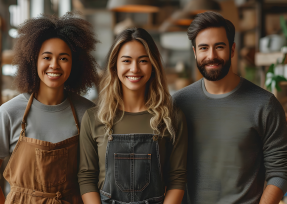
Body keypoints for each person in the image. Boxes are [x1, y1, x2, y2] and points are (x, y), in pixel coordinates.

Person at [0, 12, 98, 203]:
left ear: (74, 64)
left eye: (63, 58)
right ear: (33, 60)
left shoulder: (88, 113)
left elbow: (94, 178)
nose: (54, 65)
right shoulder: (8, 113)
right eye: (46, 57)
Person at [173, 11, 287, 204]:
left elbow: (280, 171)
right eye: (203, 48)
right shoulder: (178, 103)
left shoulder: (265, 105)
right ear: (194, 52)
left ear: (232, 49)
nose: (211, 55)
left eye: (219, 47)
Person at [78, 28, 188, 204]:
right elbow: (86, 178)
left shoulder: (172, 117)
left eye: (143, 61)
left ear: (153, 66)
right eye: (126, 61)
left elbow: (177, 178)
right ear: (115, 66)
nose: (134, 69)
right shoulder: (94, 118)